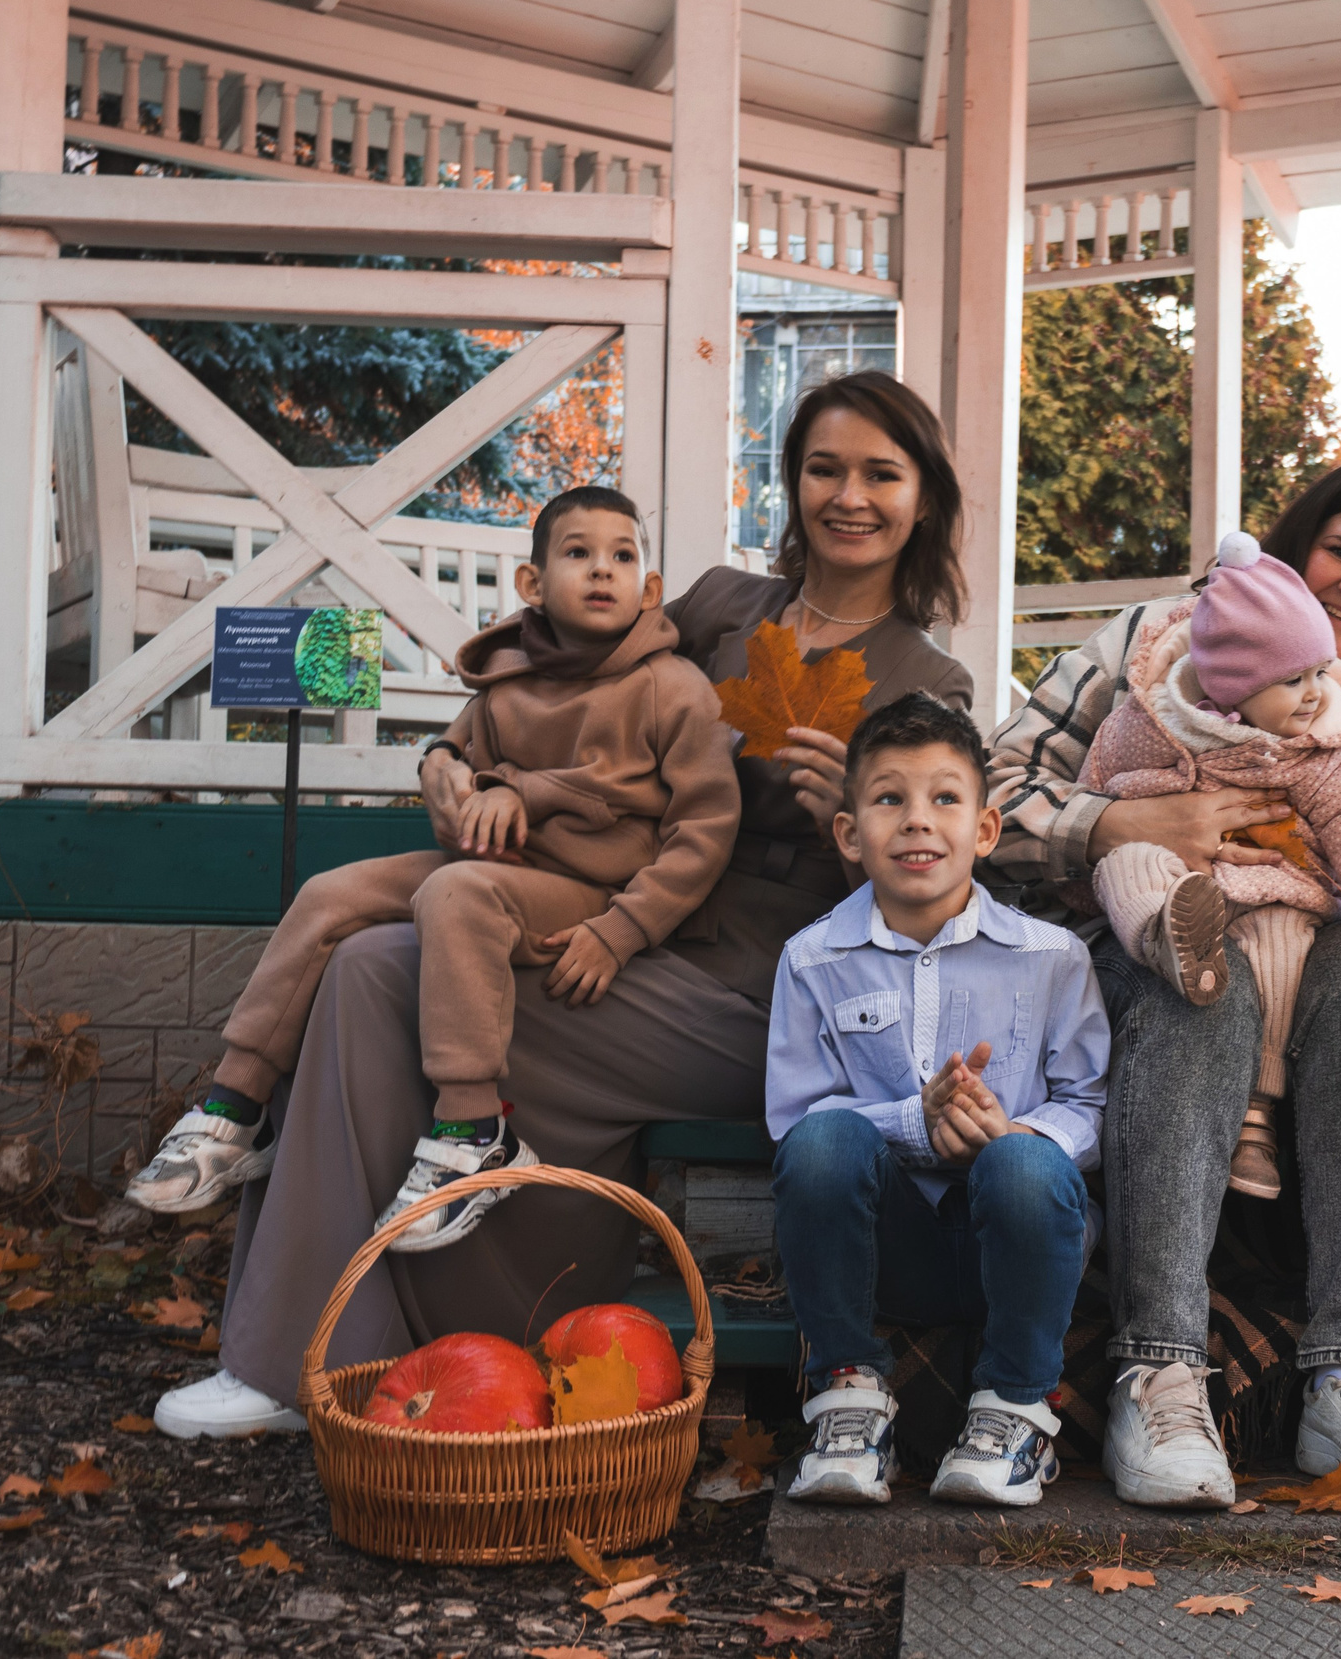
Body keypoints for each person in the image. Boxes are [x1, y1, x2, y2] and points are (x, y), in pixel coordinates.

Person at [154, 371, 973, 1440]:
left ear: (924, 497)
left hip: (758, 997)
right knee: (363, 963)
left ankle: (406, 1325)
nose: (849, 495)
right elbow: (553, 689)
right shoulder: (718, 607)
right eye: (824, 468)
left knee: (388, 975)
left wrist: (858, 831)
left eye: (881, 473)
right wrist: (449, 764)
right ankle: (317, 1357)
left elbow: (933, 893)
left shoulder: (927, 682)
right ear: (793, 484)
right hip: (609, 921)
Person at [990, 458, 1341, 1512]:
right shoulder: (1158, 643)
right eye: (1340, 551)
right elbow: (993, 794)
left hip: (1326, 971)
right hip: (1143, 938)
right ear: (1293, 543)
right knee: (1208, 983)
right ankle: (1160, 1370)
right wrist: (1120, 823)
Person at [125, 489, 739, 1253]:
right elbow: (454, 753)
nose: (601, 570)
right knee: (329, 894)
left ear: (650, 589)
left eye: (623, 556)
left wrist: (622, 930)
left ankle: (475, 1130)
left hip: (588, 888)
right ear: (533, 584)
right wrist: (448, 774)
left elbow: (706, 828)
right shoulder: (510, 673)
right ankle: (234, 1107)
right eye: (578, 553)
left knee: (456, 892)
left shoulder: (671, 688)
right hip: (493, 865)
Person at [766, 694, 1109, 1508]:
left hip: (1022, 1236)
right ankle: (848, 1397)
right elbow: (795, 1120)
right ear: (850, 834)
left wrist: (1009, 1134)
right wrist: (909, 1124)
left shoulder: (1051, 957)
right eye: (889, 798)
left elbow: (1090, 1104)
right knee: (822, 1146)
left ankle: (1015, 1409)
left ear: (984, 831)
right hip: (892, 1246)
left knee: (1028, 1161)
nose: (918, 821)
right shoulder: (813, 960)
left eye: (944, 798)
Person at [1077, 529, 1341, 1198]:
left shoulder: (1325, 742)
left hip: (1274, 885)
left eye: (1319, 672)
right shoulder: (1155, 719)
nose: (1312, 692)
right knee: (1128, 865)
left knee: (1282, 944)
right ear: (1231, 687)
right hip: (1179, 879)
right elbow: (1100, 776)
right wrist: (1112, 828)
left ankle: (1256, 1116)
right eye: (1292, 679)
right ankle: (1167, 937)